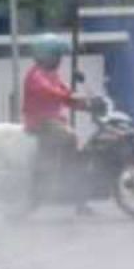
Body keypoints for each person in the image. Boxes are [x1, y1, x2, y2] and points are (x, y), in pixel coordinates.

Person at [22, 34, 89, 211]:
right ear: (46, 55)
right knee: (69, 138)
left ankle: (77, 197)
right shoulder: (36, 76)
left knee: (73, 141)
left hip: (51, 121)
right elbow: (50, 92)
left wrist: (86, 104)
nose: (60, 60)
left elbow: (63, 92)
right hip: (39, 123)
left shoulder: (51, 74)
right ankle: (63, 179)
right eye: (57, 55)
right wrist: (70, 96)